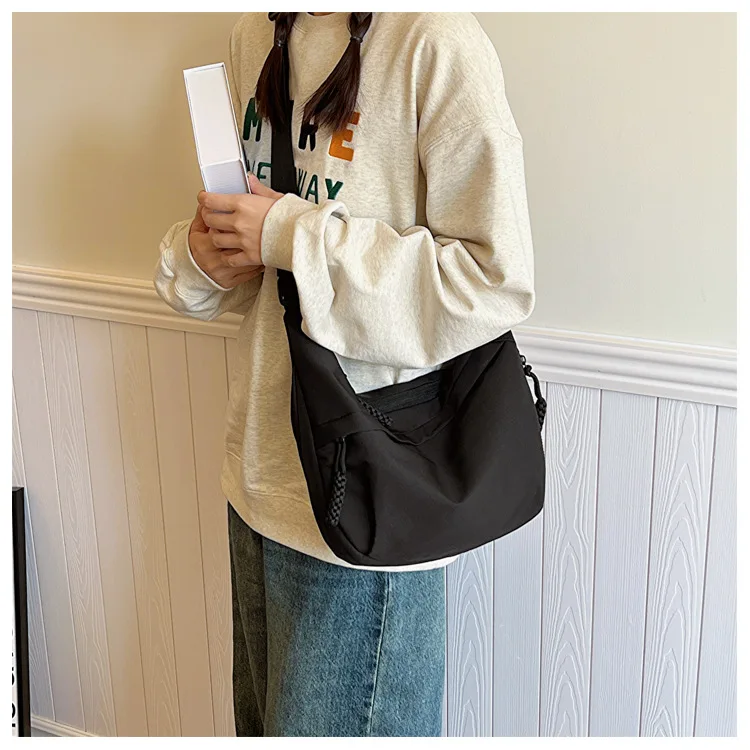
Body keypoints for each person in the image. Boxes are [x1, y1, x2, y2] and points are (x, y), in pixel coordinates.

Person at [155, 11, 535, 737]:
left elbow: (494, 282)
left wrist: (289, 234)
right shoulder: (256, 34)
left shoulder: (433, 39)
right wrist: (206, 257)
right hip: (258, 483)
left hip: (370, 500)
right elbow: (258, 251)